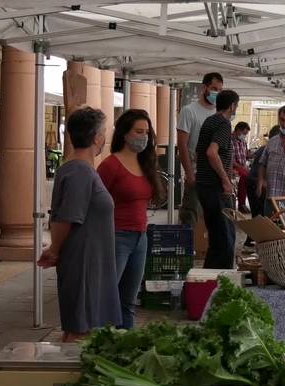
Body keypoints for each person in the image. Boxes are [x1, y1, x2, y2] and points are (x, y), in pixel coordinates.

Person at [38, 106, 120, 342]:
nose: (105, 137)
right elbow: (66, 217)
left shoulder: (79, 170)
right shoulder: (80, 172)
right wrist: (54, 250)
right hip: (84, 261)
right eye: (104, 132)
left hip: (92, 260)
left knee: (88, 328)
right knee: (80, 331)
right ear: (97, 138)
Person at [97, 109, 164, 329]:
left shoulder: (145, 164)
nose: (144, 136)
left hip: (140, 237)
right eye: (138, 131)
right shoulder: (110, 166)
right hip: (116, 236)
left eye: (146, 132)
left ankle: (127, 343)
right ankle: (100, 340)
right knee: (107, 296)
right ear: (125, 133)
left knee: (128, 300)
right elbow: (96, 203)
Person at [196, 90, 239, 269]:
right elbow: (211, 152)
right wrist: (225, 181)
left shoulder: (209, 121)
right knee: (225, 240)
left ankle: (210, 279)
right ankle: (222, 281)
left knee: (216, 239)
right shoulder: (223, 123)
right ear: (232, 106)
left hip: (205, 186)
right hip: (215, 188)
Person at [176, 72, 224, 225]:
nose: (217, 93)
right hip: (196, 176)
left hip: (215, 178)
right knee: (192, 219)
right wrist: (190, 175)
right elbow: (182, 145)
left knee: (211, 223)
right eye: (214, 88)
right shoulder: (189, 111)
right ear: (205, 87)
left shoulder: (219, 113)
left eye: (220, 90)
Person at [232, 121, 251, 214]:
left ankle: (252, 203)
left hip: (242, 166)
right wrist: (243, 168)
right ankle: (241, 204)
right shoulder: (230, 140)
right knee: (245, 176)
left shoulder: (243, 141)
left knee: (253, 176)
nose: (244, 136)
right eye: (244, 133)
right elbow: (231, 160)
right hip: (233, 167)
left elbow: (246, 155)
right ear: (238, 130)